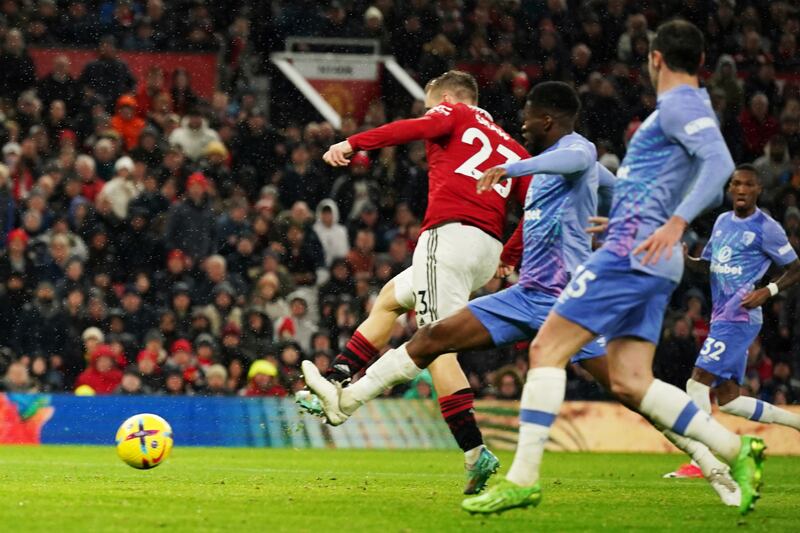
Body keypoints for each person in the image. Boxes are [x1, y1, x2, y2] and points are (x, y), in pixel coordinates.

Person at [311, 21, 764, 516]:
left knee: (629, 388)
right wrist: (609, 225)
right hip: (527, 294)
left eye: (528, 117)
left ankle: (718, 462)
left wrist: (516, 169)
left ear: (549, 119)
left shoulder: (572, 152)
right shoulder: (543, 162)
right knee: (431, 339)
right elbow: (610, 197)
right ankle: (348, 402)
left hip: (566, 301)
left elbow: (582, 160)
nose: (519, 125)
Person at [308, 70, 532, 494]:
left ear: (448, 99)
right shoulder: (513, 147)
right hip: (484, 249)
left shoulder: (454, 113)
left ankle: (473, 450)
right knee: (391, 298)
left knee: (437, 343)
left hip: (448, 237)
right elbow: (537, 205)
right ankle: (337, 377)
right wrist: (510, 254)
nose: (432, 116)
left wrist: (353, 142)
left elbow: (407, 129)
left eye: (433, 107)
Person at [664, 165, 800, 479]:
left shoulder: (767, 227)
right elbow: (709, 267)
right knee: (728, 401)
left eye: (748, 185)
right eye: (736, 184)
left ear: (758, 190)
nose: (741, 189)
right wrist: (689, 262)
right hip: (720, 315)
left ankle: (703, 461)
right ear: (730, 189)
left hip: (739, 316)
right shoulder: (723, 222)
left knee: (697, 382)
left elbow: (795, 267)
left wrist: (768, 290)